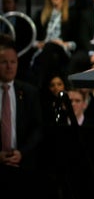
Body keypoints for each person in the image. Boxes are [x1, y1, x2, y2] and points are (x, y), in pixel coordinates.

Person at [0, 37, 44, 195]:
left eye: (13, 62)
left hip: (22, 166)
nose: (9, 67)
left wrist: (22, 153)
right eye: (4, 62)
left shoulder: (29, 92)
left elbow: (37, 129)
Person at [30, 0, 80, 86]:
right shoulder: (41, 14)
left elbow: (76, 42)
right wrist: (38, 44)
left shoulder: (72, 14)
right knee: (49, 49)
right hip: (44, 50)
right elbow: (32, 40)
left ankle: (39, 85)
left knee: (51, 47)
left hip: (63, 50)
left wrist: (64, 44)